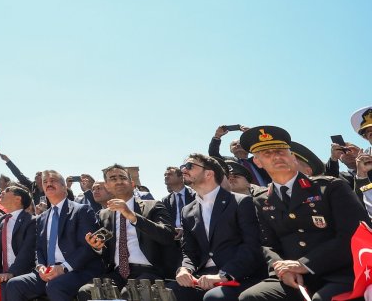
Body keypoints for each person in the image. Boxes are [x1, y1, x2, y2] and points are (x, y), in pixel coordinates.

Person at [234, 126, 371, 301]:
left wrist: (305, 264)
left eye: (281, 151)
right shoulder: (261, 200)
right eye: (267, 154)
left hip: (340, 272)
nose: (276, 156)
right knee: (251, 297)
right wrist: (281, 269)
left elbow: (355, 234)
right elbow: (267, 244)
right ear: (257, 162)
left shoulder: (330, 187)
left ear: (292, 157)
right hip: (294, 275)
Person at [172, 153, 265, 301]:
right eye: (183, 167)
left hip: (239, 275)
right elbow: (189, 250)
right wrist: (185, 269)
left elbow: (252, 246)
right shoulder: (187, 210)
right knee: (172, 292)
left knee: (214, 297)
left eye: (190, 166)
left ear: (209, 173)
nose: (183, 170)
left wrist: (224, 275)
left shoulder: (241, 202)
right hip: (203, 276)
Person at [78, 164, 177, 300]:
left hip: (149, 270)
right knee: (86, 292)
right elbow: (105, 252)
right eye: (113, 178)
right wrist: (97, 247)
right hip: (117, 273)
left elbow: (168, 236)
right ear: (107, 185)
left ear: (132, 183)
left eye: (122, 177)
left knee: (128, 293)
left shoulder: (153, 206)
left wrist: (133, 216)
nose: (118, 181)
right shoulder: (103, 215)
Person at [2, 170, 103, 301]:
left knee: (55, 286)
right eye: (45, 182)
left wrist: (63, 268)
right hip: (48, 271)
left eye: (53, 180)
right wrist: (41, 267)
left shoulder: (81, 210)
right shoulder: (41, 218)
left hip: (78, 270)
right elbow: (38, 248)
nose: (48, 183)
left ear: (64, 187)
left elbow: (87, 247)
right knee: (14, 285)